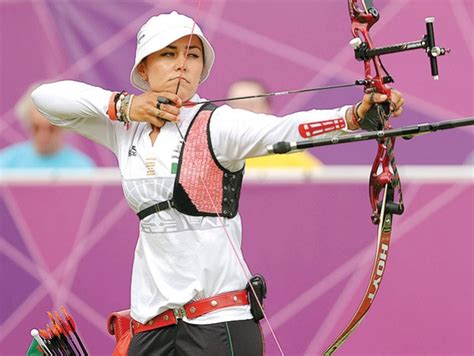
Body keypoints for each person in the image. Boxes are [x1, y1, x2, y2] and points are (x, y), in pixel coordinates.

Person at [31, 11, 404, 355]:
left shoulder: (219, 123)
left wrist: (354, 116)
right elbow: (45, 99)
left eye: (192, 56)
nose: (182, 64)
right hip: (150, 324)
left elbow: (283, 129)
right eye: (168, 54)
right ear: (144, 68)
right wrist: (125, 105)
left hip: (217, 324)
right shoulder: (123, 128)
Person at [226, 79, 322, 169]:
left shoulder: (290, 153)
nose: (243, 113)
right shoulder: (218, 153)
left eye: (251, 105)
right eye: (236, 107)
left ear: (267, 109)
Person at [0, 84, 95, 170]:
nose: (43, 136)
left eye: (51, 128)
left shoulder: (82, 167)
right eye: (36, 127)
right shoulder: (5, 163)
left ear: (64, 126)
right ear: (27, 124)